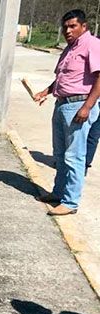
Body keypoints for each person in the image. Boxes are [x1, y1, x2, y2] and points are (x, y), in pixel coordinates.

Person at [33, 9, 100, 216]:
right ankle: (58, 192)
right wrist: (47, 90)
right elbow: (64, 78)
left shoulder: (92, 44)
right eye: (65, 27)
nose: (68, 31)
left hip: (78, 106)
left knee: (74, 157)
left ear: (84, 27)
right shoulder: (70, 49)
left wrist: (87, 107)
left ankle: (70, 202)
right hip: (62, 104)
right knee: (60, 155)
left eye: (73, 26)